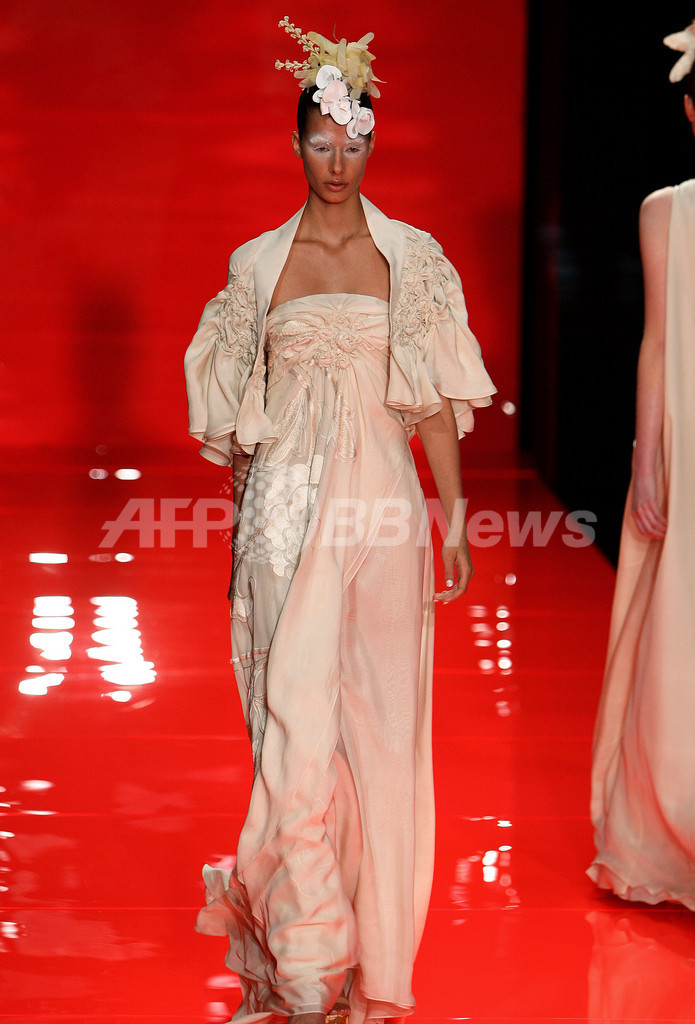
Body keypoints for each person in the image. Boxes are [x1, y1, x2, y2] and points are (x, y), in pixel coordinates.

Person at [184, 18, 496, 1024]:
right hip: (281, 519)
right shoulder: (253, 267)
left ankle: (368, 964)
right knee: (292, 725)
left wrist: (454, 519)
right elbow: (239, 427)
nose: (336, 163)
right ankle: (309, 959)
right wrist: (241, 539)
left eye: (352, 144)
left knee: (381, 734)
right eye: (320, 143)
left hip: (384, 520)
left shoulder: (412, 260)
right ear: (295, 144)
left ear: (371, 143)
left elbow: (433, 404)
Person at [588, 20, 695, 910]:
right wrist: (648, 461)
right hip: (687, 447)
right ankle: (671, 829)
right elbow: (656, 342)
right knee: (675, 638)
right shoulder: (666, 212)